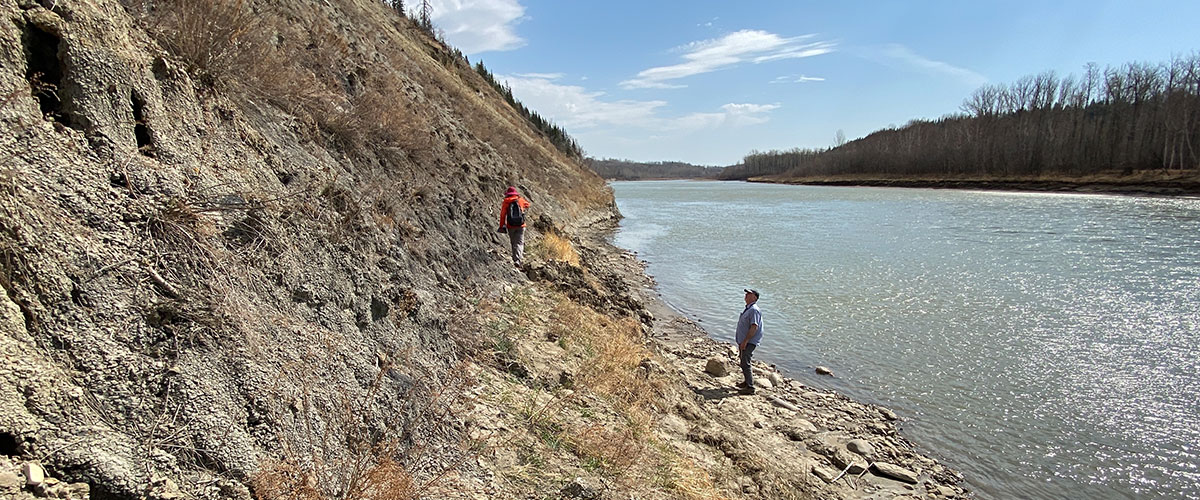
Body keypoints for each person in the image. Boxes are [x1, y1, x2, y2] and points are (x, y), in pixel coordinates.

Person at [735, 288, 763, 395]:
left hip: (749, 341)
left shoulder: (754, 310)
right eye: (746, 294)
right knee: (742, 361)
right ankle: (746, 382)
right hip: (743, 340)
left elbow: (754, 326)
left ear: (755, 297)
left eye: (749, 294)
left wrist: (746, 340)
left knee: (745, 362)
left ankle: (750, 387)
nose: (746, 295)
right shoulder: (748, 308)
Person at [498, 186, 531, 267]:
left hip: (511, 225)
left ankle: (515, 259)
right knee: (520, 242)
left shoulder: (506, 202)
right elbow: (528, 205)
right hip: (521, 225)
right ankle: (518, 259)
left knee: (513, 243)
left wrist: (501, 226)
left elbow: (503, 215)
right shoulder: (520, 199)